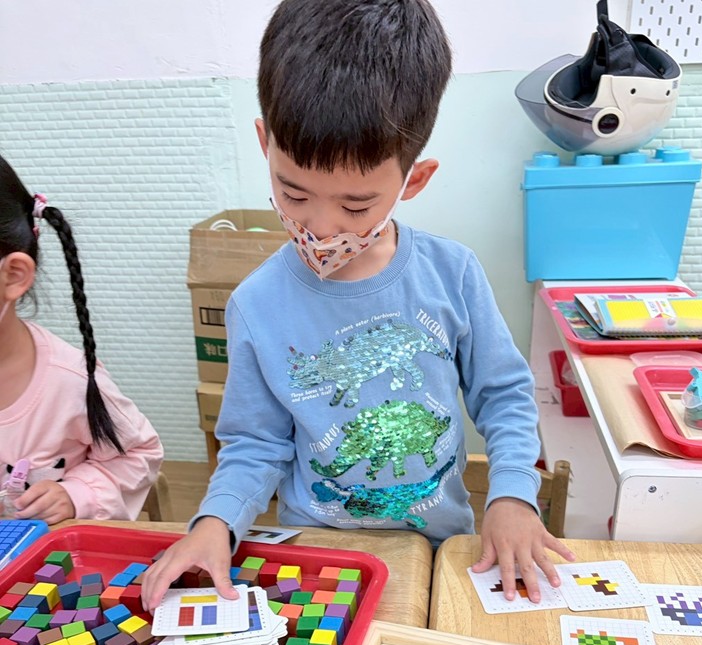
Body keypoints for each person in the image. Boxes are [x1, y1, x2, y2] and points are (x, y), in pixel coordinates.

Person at [142, 0, 574, 611]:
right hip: (317, 549)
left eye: (355, 206)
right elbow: (255, 444)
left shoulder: (452, 274)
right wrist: (216, 521)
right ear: (265, 145)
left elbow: (503, 396)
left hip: (436, 547)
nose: (320, 227)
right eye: (293, 192)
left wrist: (512, 494)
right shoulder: (257, 305)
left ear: (412, 181)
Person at [0, 155, 163, 524]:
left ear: (14, 275)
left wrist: (77, 495)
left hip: (46, 554)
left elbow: (139, 455)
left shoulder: (68, 380)